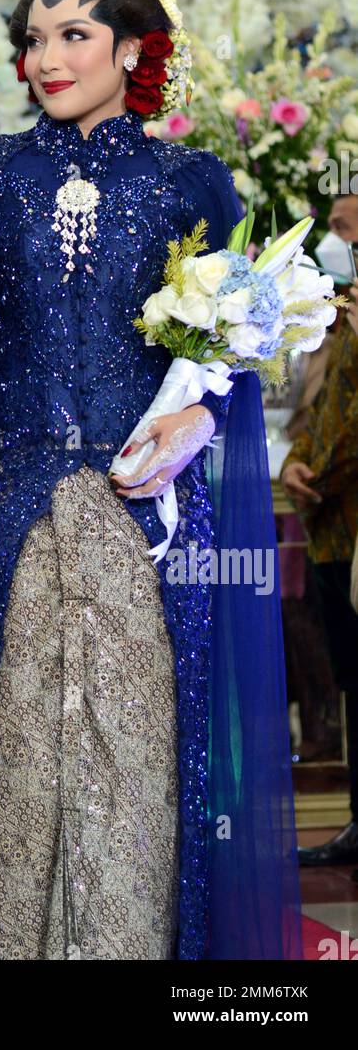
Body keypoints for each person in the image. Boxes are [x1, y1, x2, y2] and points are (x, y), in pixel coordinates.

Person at [0, 0, 301, 960]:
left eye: (72, 33)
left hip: (147, 508)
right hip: (1, 500)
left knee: (135, 746)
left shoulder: (192, 182)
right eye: (33, 38)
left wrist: (197, 418)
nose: (45, 58)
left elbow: (237, 336)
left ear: (130, 48)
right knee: (12, 753)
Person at [281, 194, 358, 868]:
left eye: (345, 227)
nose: (338, 240)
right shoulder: (347, 308)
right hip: (334, 522)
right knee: (349, 673)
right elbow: (330, 402)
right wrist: (300, 463)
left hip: (346, 504)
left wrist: (318, 469)